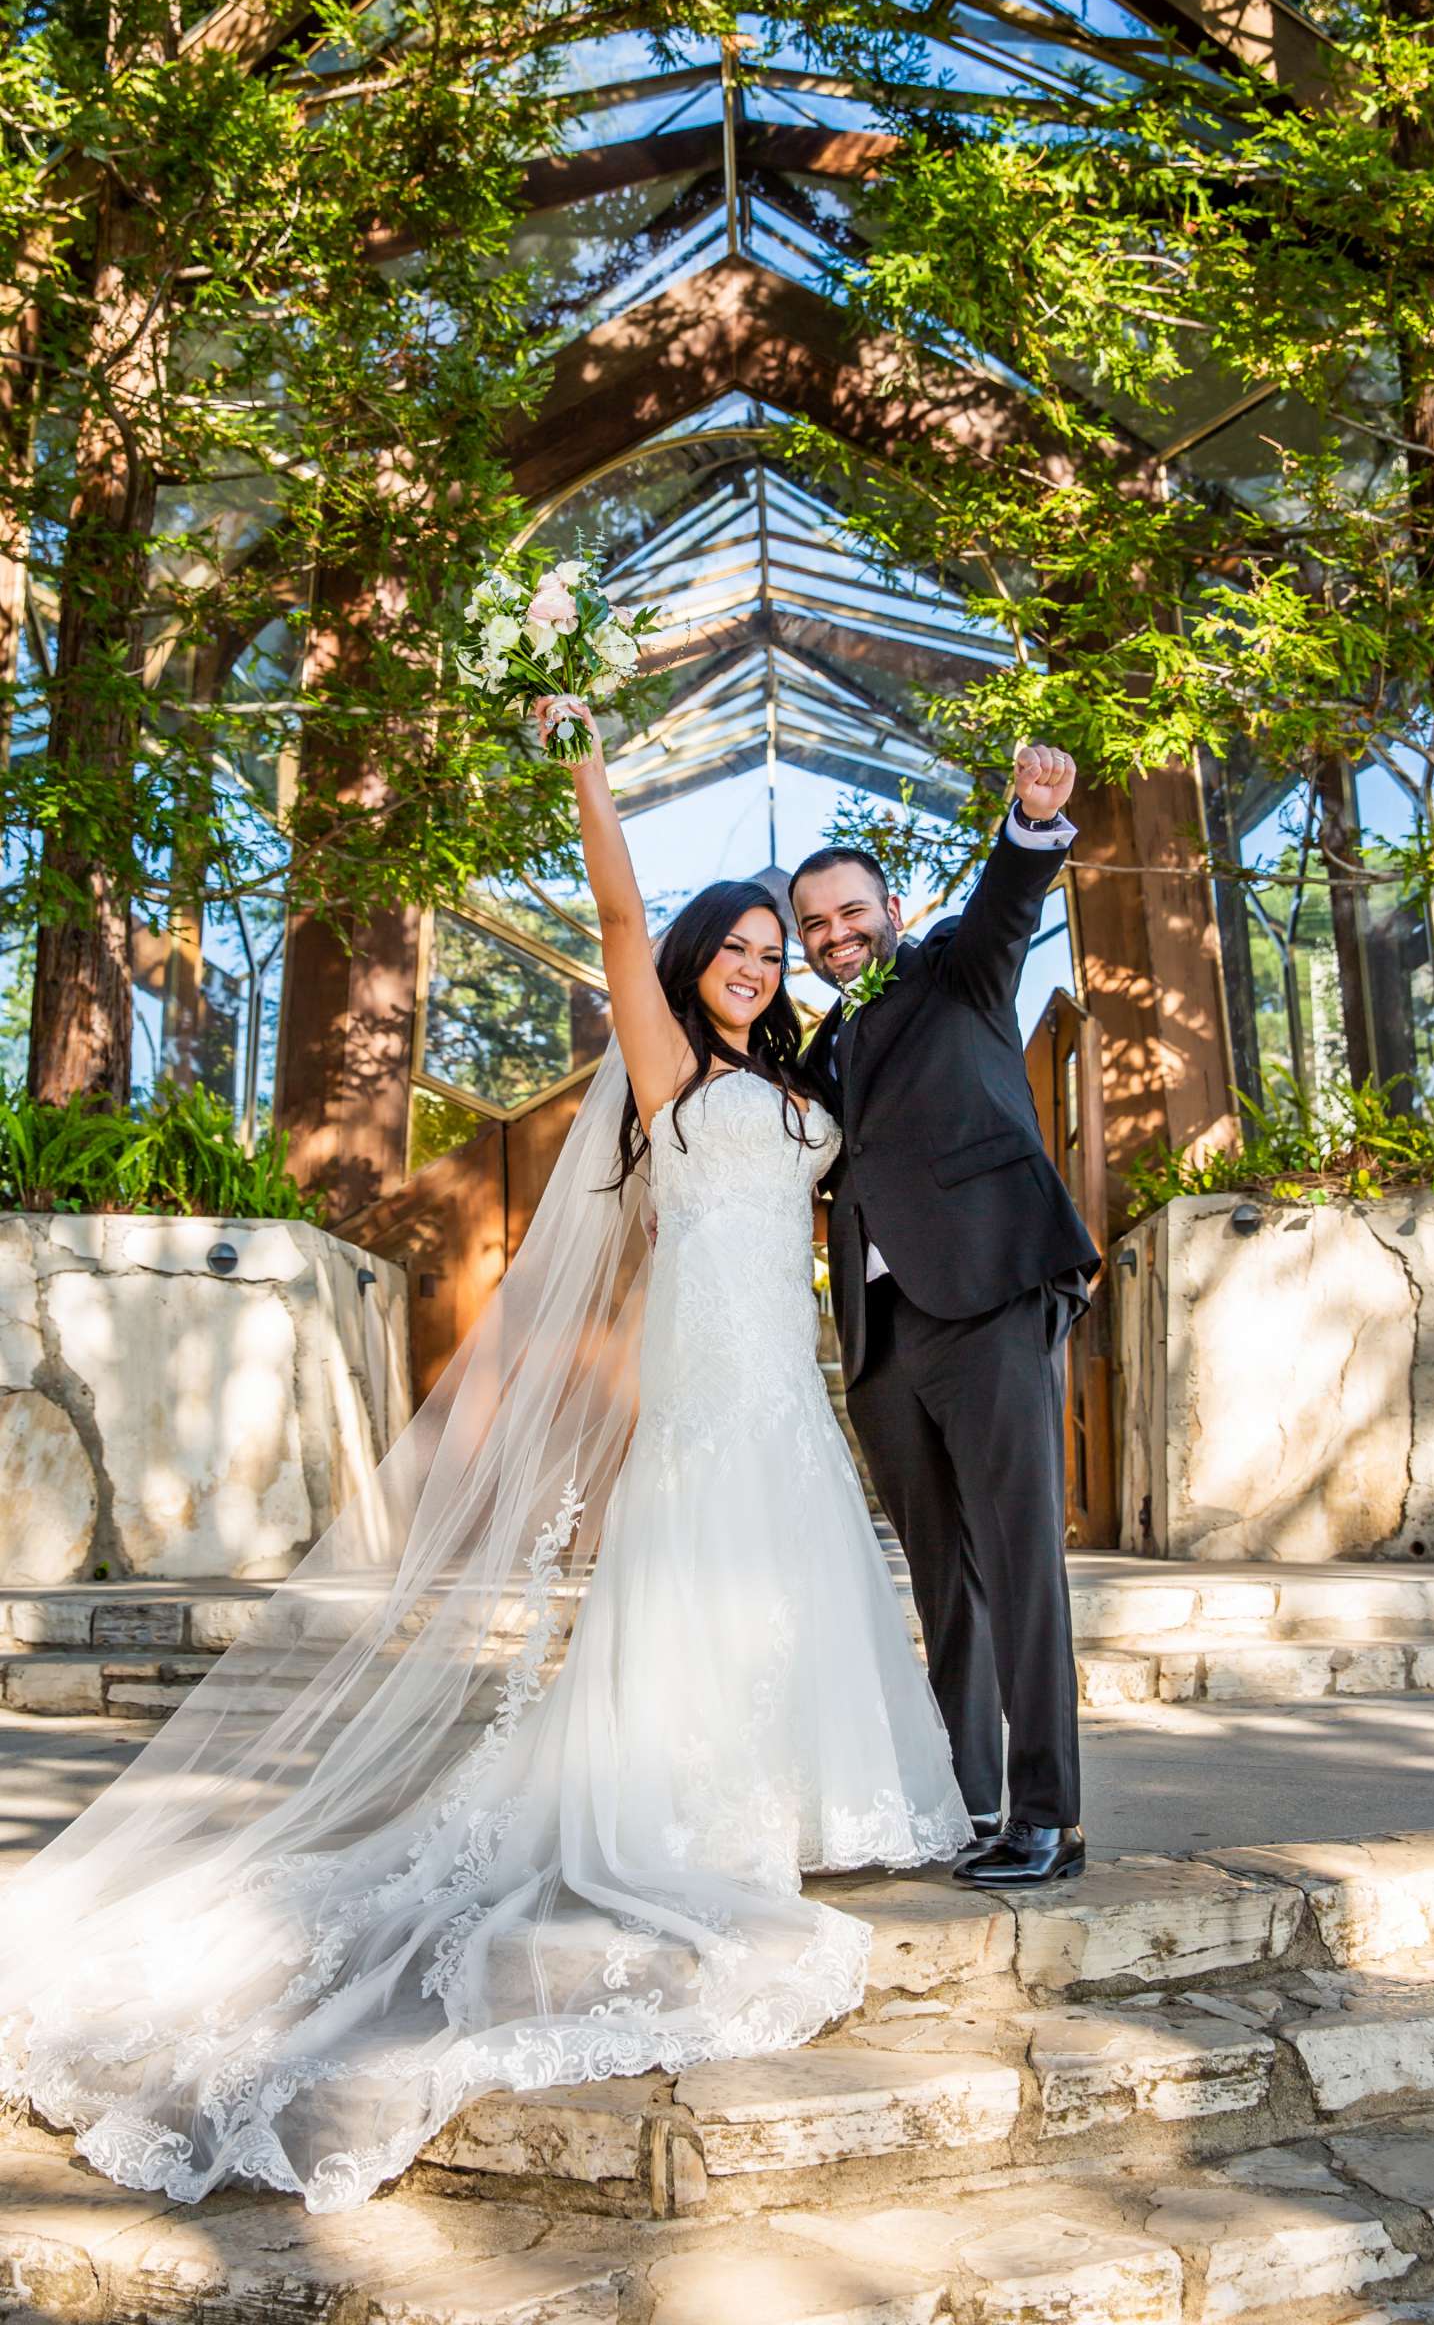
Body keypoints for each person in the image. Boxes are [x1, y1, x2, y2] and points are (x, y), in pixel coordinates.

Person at [0, 724, 966, 2215]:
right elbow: (624, 919)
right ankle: (703, 1810)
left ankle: (817, 1805)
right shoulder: (667, 1062)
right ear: (703, 957)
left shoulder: (802, 1078)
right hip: (709, 1375)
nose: (762, 967)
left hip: (791, 1370)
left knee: (803, 1557)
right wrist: (585, 765)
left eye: (780, 953)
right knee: (712, 1544)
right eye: (745, 948)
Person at [793, 743, 1101, 1890]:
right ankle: (967, 1799)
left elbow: (1010, 897)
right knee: (942, 1581)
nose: (834, 936)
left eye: (849, 912)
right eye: (813, 926)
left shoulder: (958, 972)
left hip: (987, 1296)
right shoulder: (824, 1050)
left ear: (892, 909)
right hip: (879, 1341)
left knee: (1020, 1564)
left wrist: (1030, 818)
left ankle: (1046, 1818)